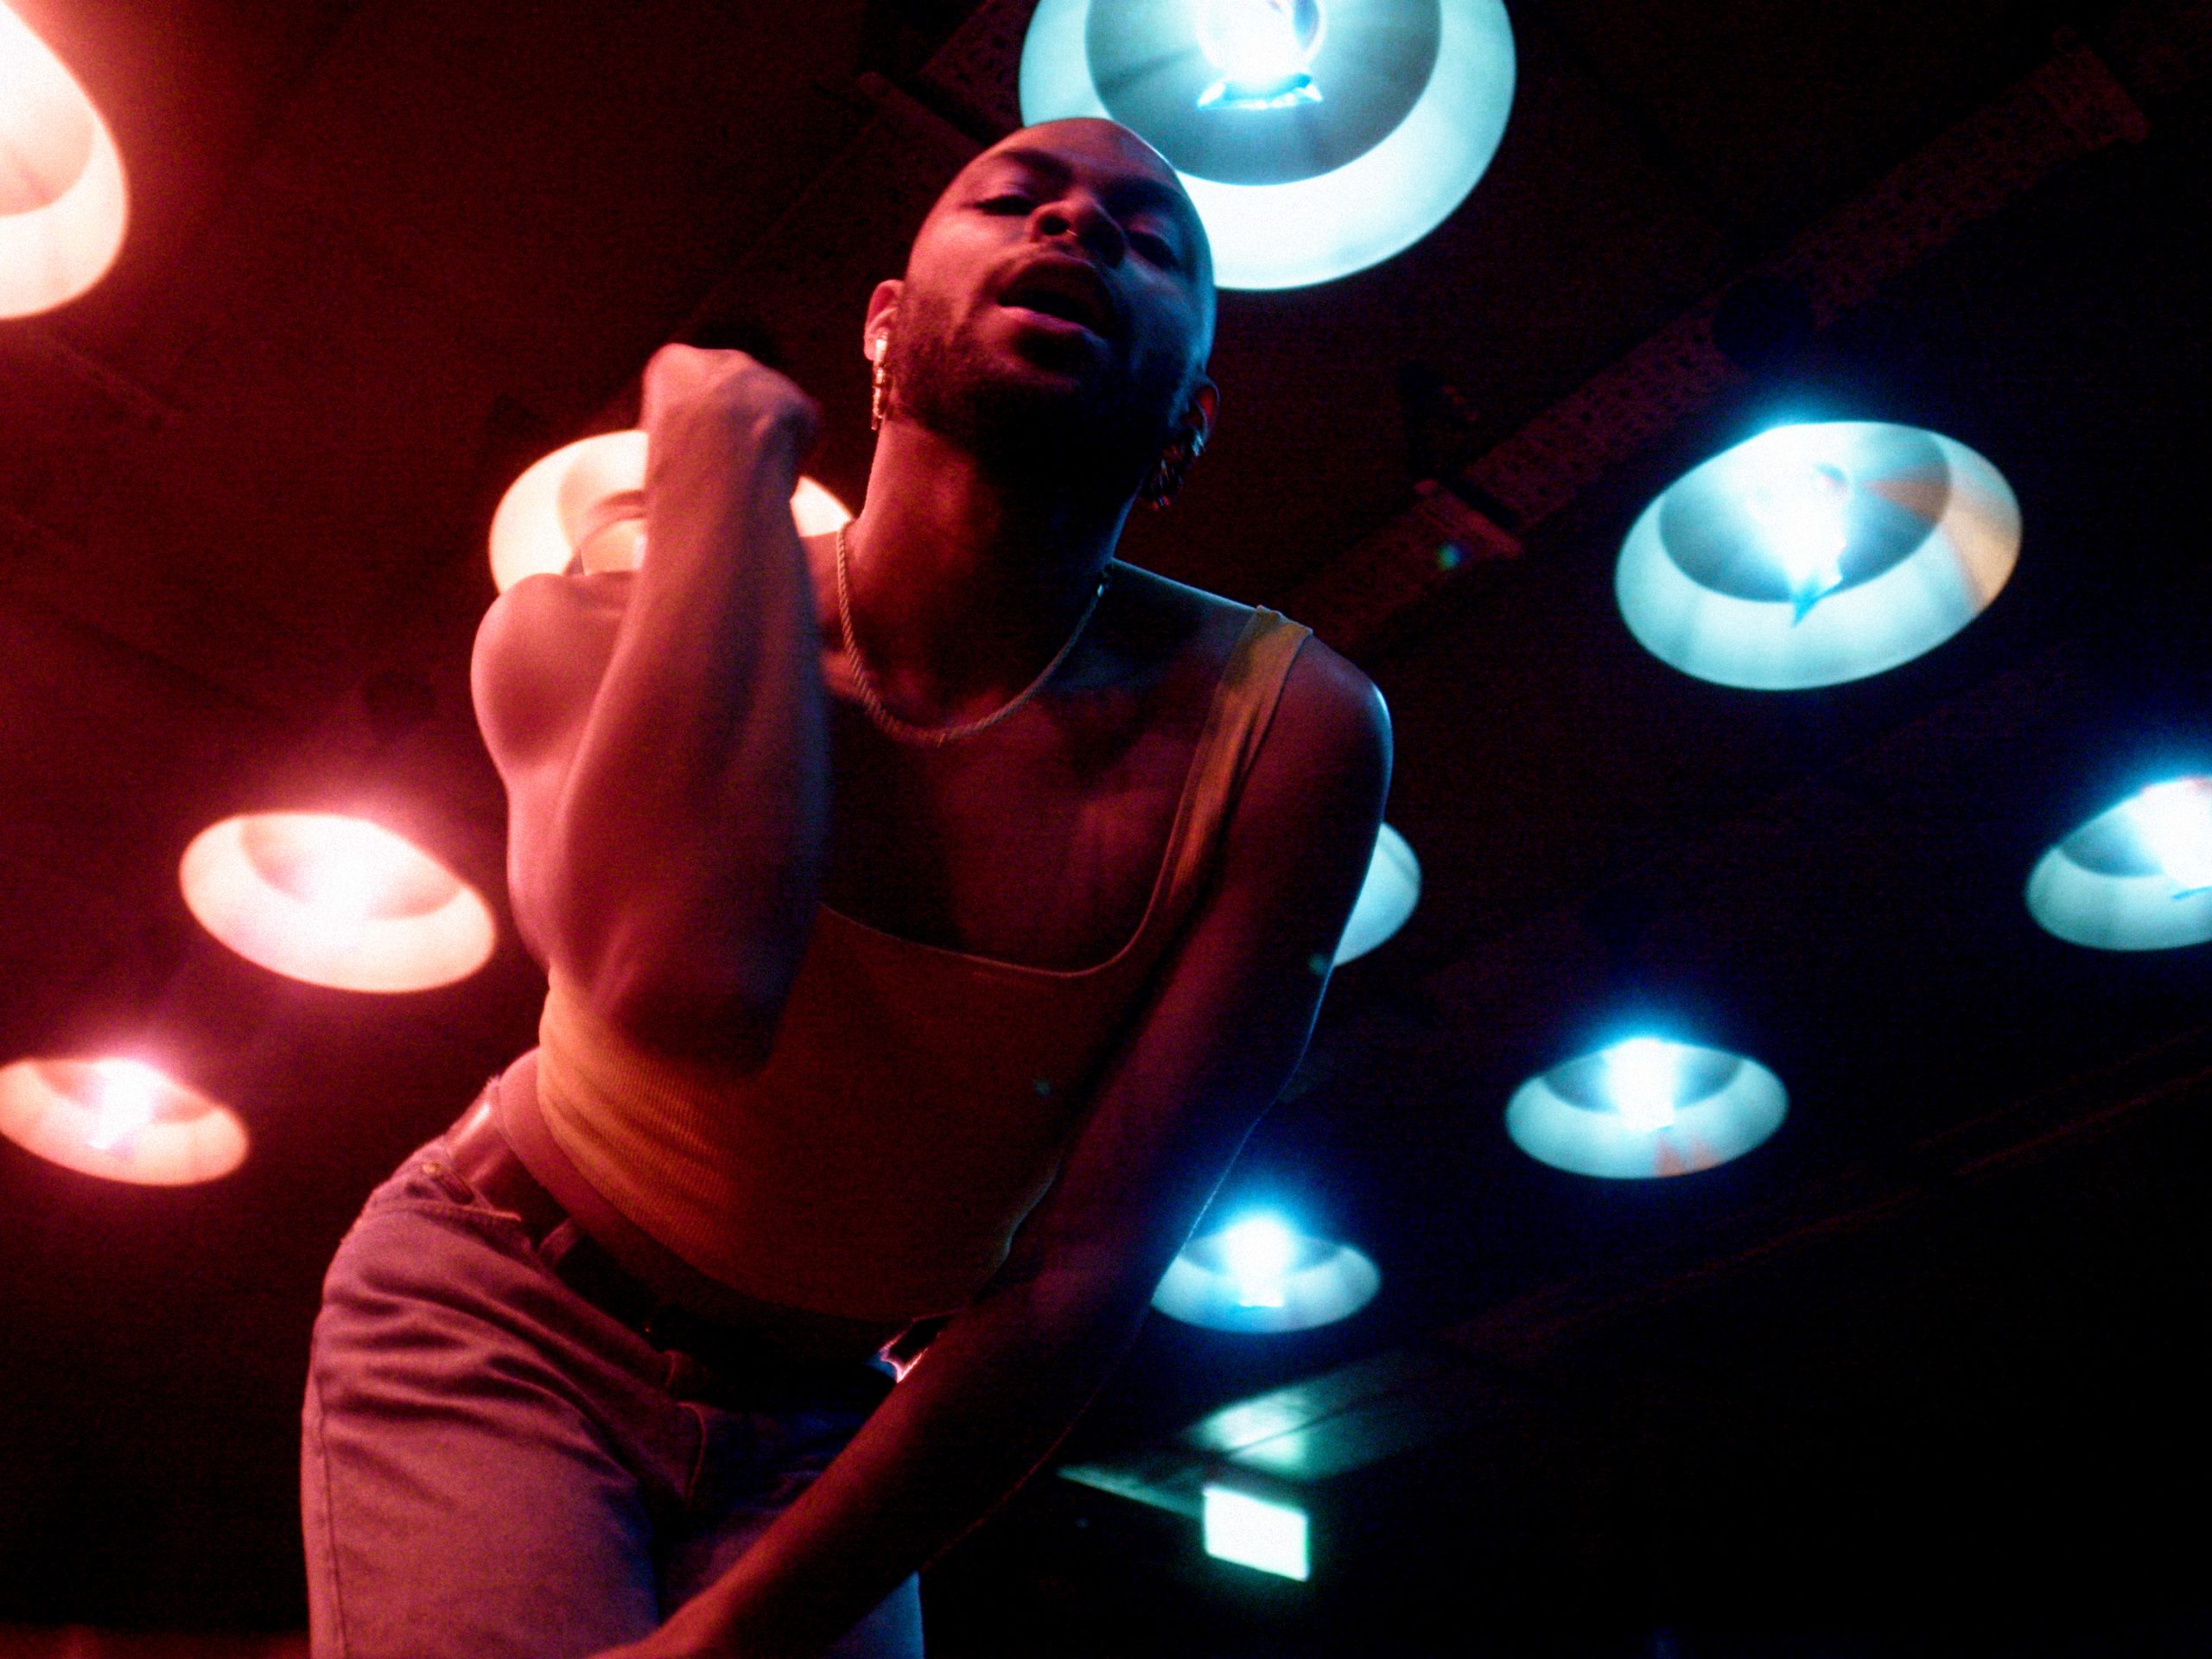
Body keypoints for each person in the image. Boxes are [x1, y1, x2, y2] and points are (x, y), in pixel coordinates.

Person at [300, 117, 1390, 1659]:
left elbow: (1085, 1273)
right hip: (500, 1314)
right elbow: (686, 984)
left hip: (831, 1420)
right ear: (884, 327)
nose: (1077, 226)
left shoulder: (1294, 735)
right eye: (1015, 197)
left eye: (1149, 241)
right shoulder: (582, 626)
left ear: (1189, 422)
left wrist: (734, 1636)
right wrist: (721, 464)